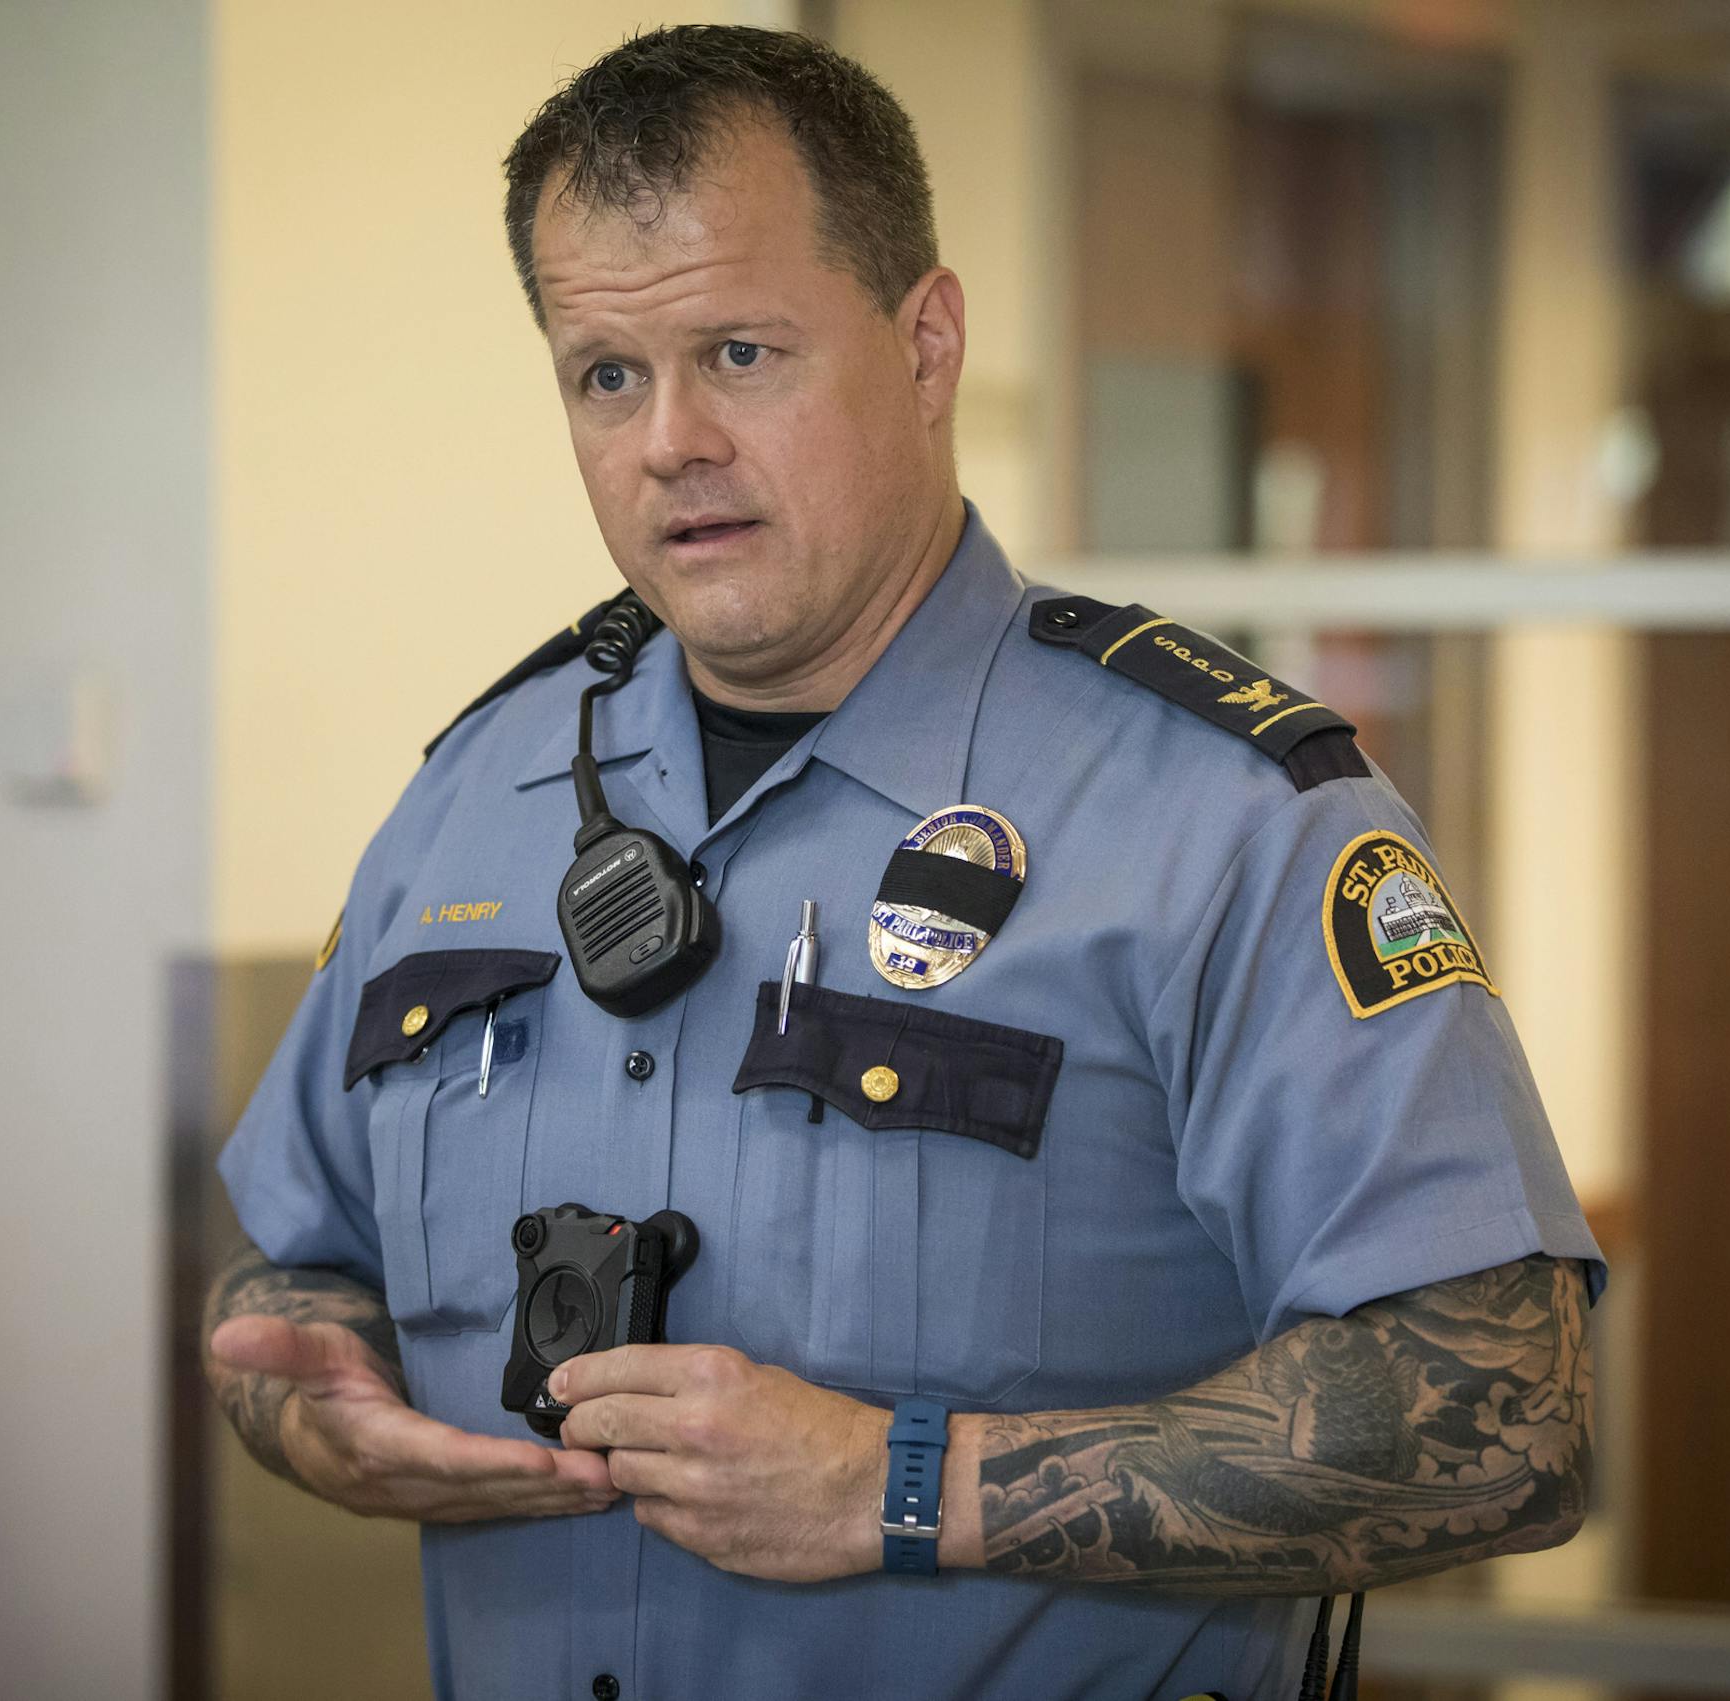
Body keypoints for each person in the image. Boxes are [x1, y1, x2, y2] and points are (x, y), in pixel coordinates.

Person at [203, 24, 1603, 1701]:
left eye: (740, 351)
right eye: (606, 374)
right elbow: (295, 1262)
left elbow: (1515, 1414)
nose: (670, 444)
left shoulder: (1225, 819)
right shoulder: (467, 807)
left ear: (926, 343)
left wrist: (902, 1485)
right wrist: (318, 1404)